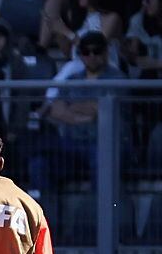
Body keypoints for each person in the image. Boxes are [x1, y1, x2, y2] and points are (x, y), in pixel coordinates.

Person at [44, 32, 127, 185]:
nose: (91, 56)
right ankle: (42, 208)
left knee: (103, 160)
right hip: (71, 142)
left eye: (96, 51)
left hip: (103, 143)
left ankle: (98, 208)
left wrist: (71, 109)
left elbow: (99, 109)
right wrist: (84, 115)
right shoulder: (72, 79)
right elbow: (56, 109)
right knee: (41, 163)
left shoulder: (117, 79)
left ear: (106, 53)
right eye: (86, 52)